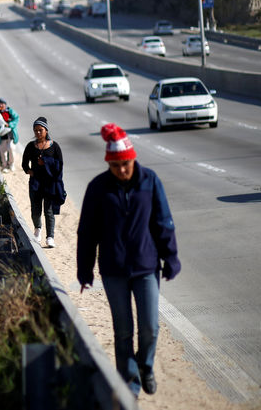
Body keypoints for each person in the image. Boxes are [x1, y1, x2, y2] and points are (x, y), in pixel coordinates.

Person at [76, 123, 180, 398]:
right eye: (116, 165)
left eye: (126, 163)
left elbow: (163, 222)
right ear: (109, 163)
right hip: (113, 269)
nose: (122, 169)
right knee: (123, 330)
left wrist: (170, 257)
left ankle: (146, 366)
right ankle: (130, 384)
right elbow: (87, 232)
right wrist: (84, 270)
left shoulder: (150, 181)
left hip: (146, 266)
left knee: (150, 326)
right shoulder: (97, 188)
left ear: (133, 158)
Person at [21, 117, 65, 247]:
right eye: (35, 130)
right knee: (35, 209)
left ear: (46, 130)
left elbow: (60, 164)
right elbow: (24, 163)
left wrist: (45, 162)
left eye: (40, 130)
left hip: (50, 183)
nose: (38, 133)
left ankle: (50, 237)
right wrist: (29, 171)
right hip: (35, 183)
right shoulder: (30, 146)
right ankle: (37, 229)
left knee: (49, 211)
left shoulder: (54, 146)